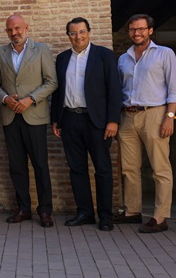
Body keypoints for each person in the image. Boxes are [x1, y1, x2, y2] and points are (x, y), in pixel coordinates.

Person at [114, 13, 176, 234]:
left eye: (141, 29)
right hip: (128, 116)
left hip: (155, 114)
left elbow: (175, 89)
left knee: (160, 168)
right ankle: (132, 211)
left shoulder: (164, 54)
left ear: (150, 30)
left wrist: (169, 118)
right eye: (133, 29)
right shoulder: (123, 58)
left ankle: (160, 216)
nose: (137, 33)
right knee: (129, 168)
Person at [50, 17, 122, 232]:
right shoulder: (62, 59)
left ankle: (106, 216)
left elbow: (115, 90)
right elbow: (58, 91)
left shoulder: (104, 55)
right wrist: (56, 119)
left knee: (102, 169)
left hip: (97, 121)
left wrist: (113, 120)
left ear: (89, 32)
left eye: (82, 32)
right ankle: (85, 213)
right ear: (68, 36)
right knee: (76, 168)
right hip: (70, 119)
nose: (78, 37)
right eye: (73, 33)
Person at [0, 14, 58, 228]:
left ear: (26, 28)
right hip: (11, 117)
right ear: (6, 31)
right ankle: (23, 208)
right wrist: (5, 98)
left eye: (18, 28)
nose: (14, 33)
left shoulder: (41, 50)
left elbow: (51, 82)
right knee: (16, 166)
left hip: (34, 116)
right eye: (10, 30)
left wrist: (31, 99)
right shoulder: (0, 53)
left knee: (40, 165)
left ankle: (45, 211)